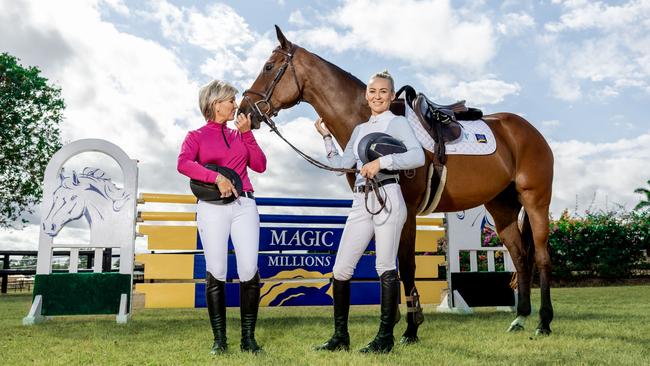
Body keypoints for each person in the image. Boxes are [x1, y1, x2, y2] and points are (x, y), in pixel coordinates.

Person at [314, 70, 425, 353]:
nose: (377, 96)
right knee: (340, 269)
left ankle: (385, 338)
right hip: (361, 201)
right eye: (373, 91)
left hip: (388, 195)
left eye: (384, 91)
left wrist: (381, 162)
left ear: (391, 96)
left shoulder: (397, 122)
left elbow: (417, 155)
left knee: (384, 266)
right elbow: (341, 164)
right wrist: (326, 138)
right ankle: (341, 336)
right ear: (367, 95)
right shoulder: (359, 130)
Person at [177, 80, 267, 354]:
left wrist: (248, 134)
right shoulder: (196, 136)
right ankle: (219, 340)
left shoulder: (241, 135)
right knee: (217, 270)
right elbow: (183, 164)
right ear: (215, 104)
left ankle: (248, 339)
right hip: (212, 208)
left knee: (249, 269)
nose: (235, 104)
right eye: (230, 99)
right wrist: (216, 177)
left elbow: (260, 166)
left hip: (244, 205)